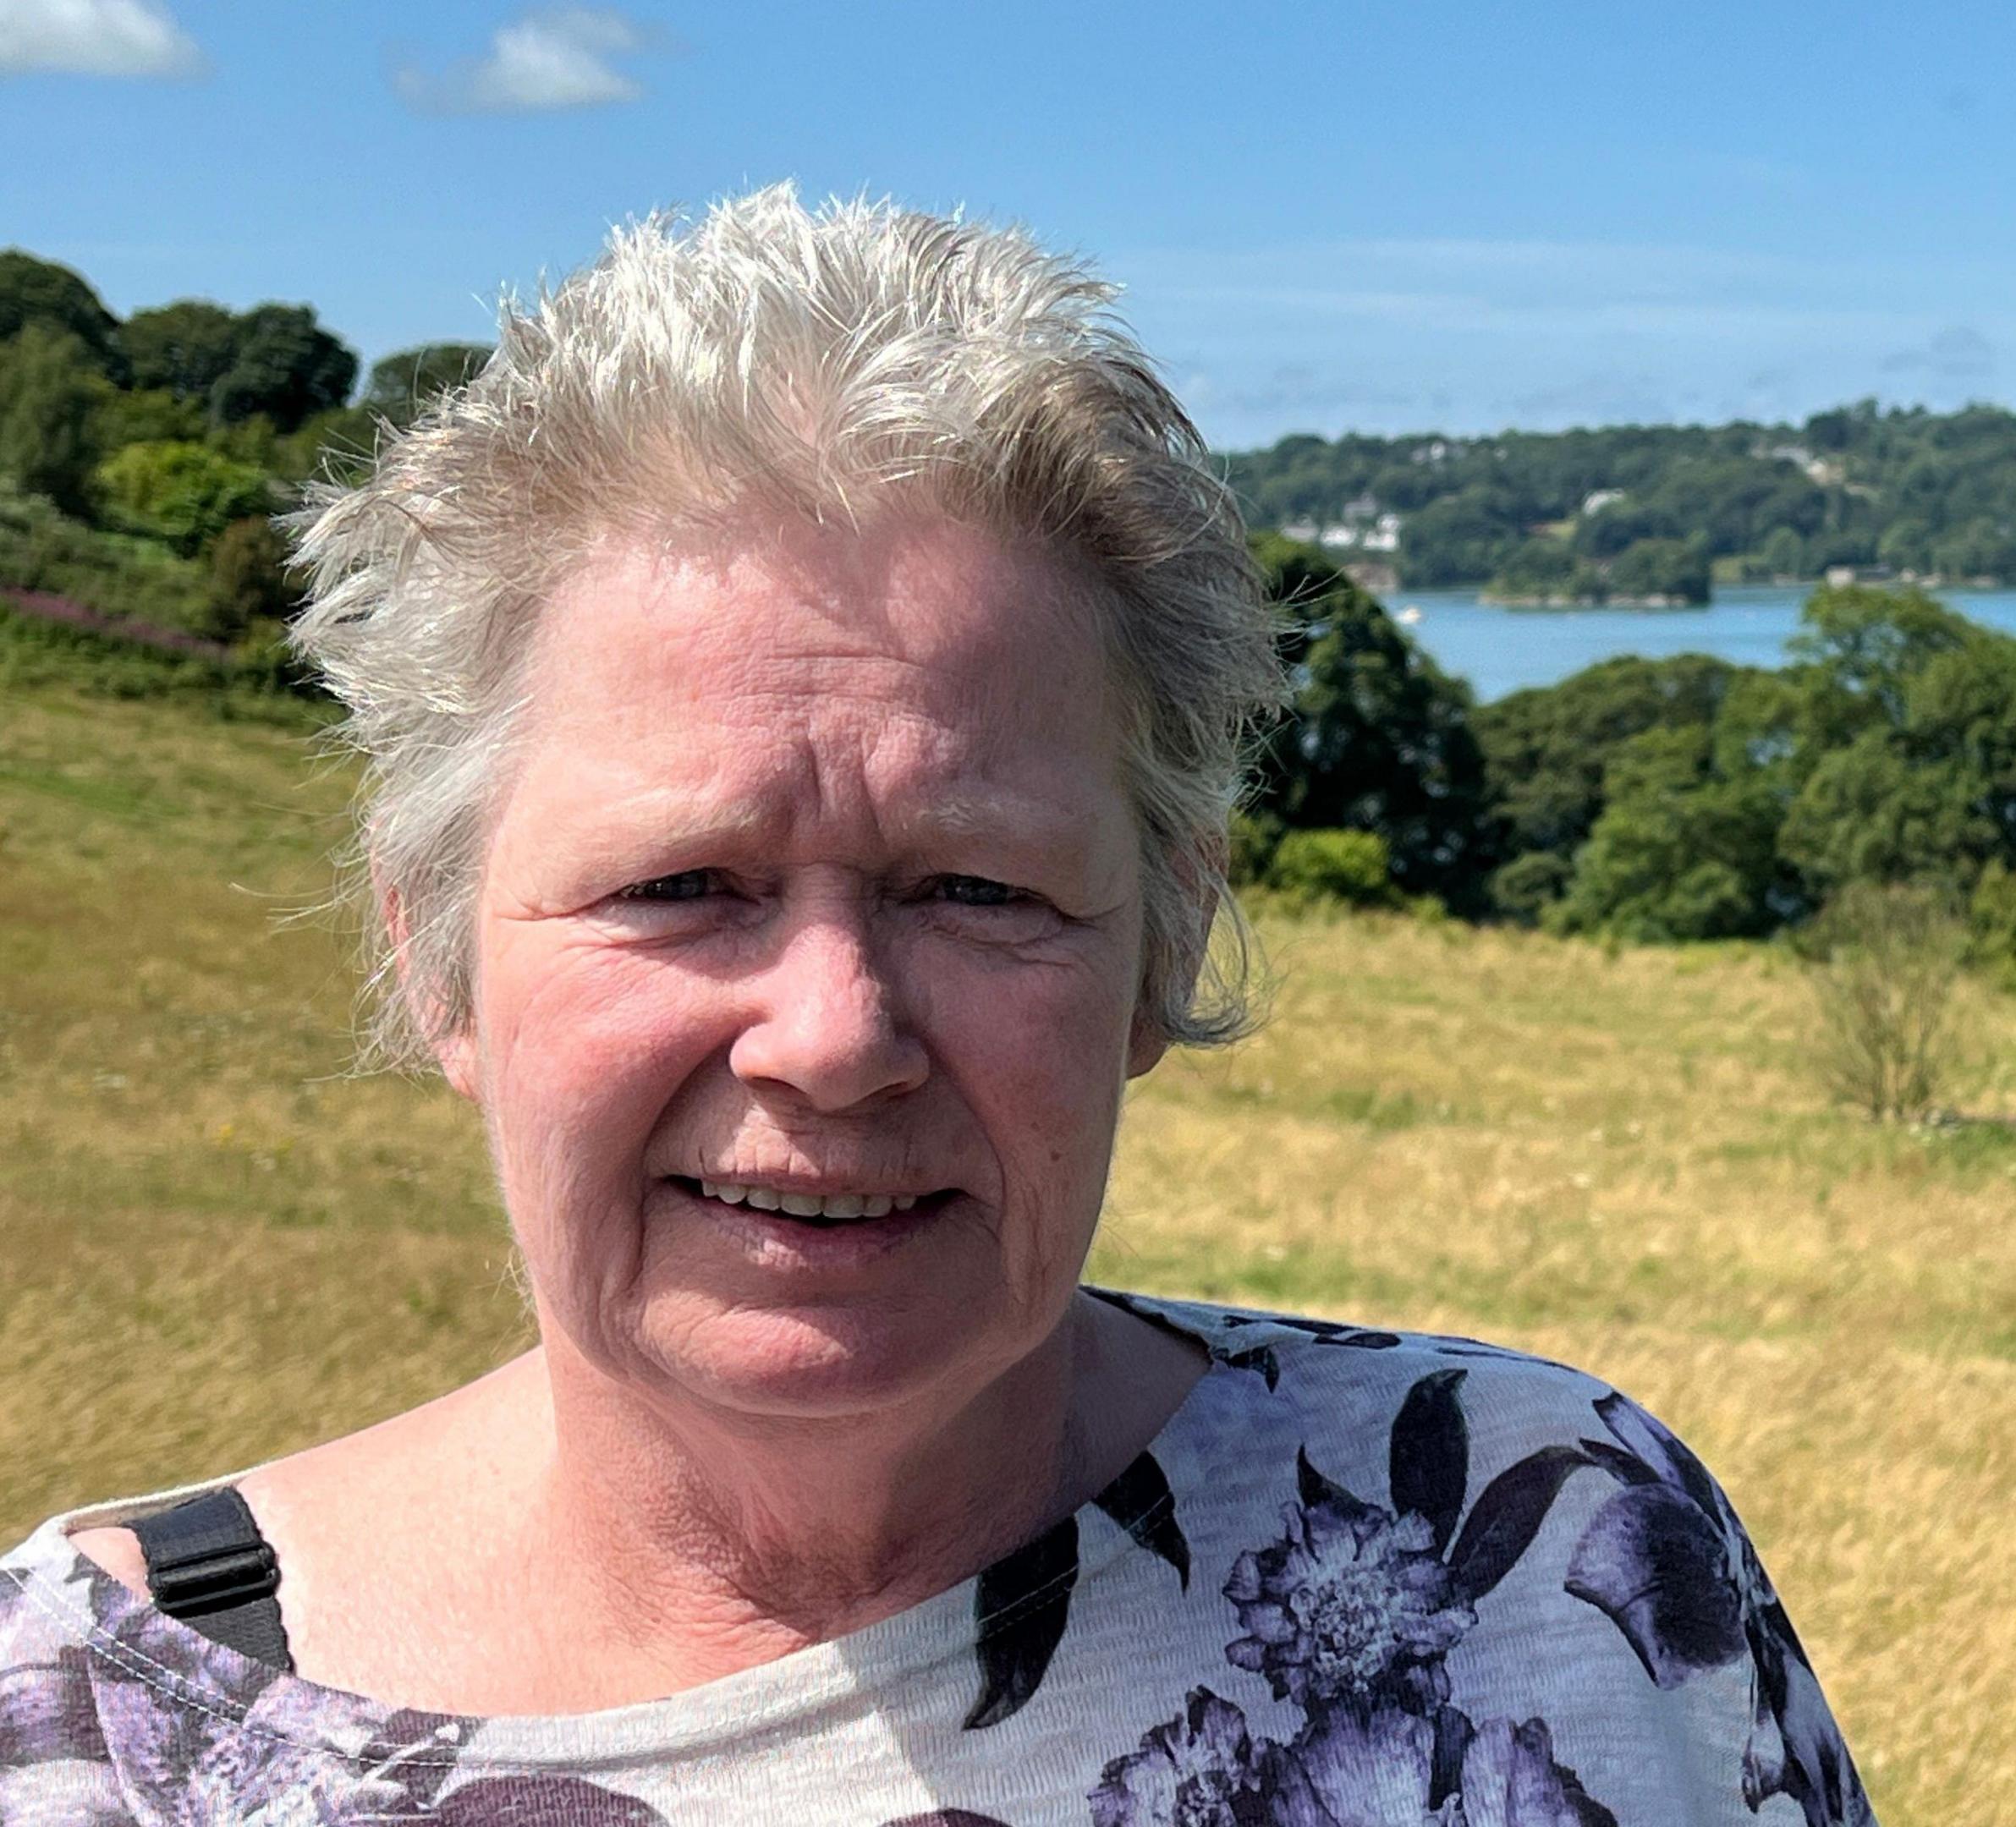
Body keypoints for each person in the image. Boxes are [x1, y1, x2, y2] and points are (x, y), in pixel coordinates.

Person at [0, 186, 1870, 1827]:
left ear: (1162, 948)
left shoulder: (1557, 1559)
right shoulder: (88, 1733)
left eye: (977, 888)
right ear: (433, 952)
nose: (832, 1035)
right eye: (679, 886)